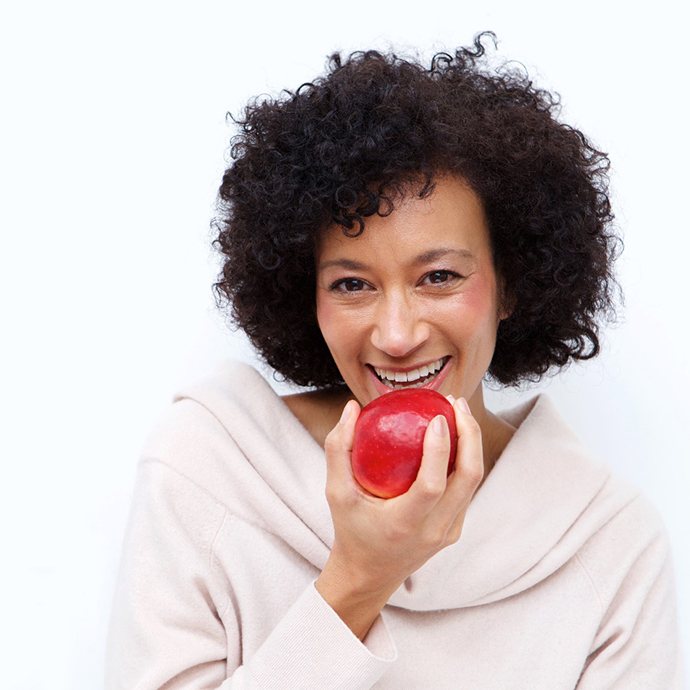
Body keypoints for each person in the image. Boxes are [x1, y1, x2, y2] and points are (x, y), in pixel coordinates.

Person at [105, 33, 684, 688]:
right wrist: (358, 579)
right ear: (307, 295)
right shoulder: (209, 467)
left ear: (511, 283)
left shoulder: (610, 545)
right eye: (352, 284)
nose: (397, 334)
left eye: (438, 276)